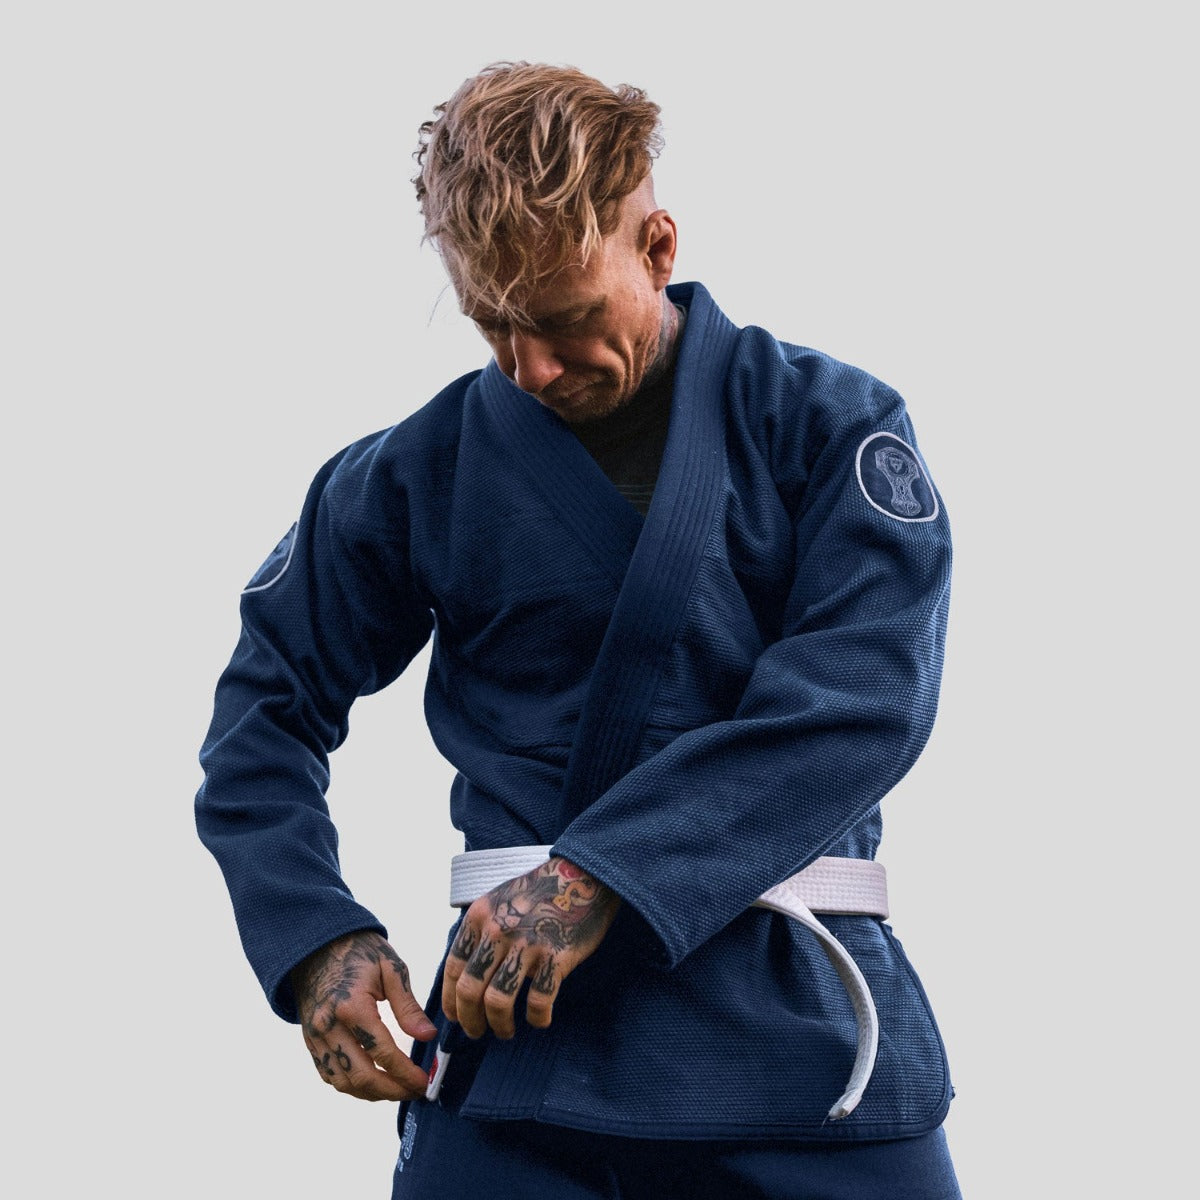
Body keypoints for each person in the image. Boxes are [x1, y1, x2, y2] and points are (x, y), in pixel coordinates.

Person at [196, 61, 962, 1199]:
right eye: (493, 325)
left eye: (564, 321)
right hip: (523, 1066)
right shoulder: (417, 473)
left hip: (801, 1047)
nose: (531, 367)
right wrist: (313, 938)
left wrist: (599, 877)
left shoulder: (828, 427)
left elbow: (863, 701)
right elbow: (263, 712)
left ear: (656, 246)